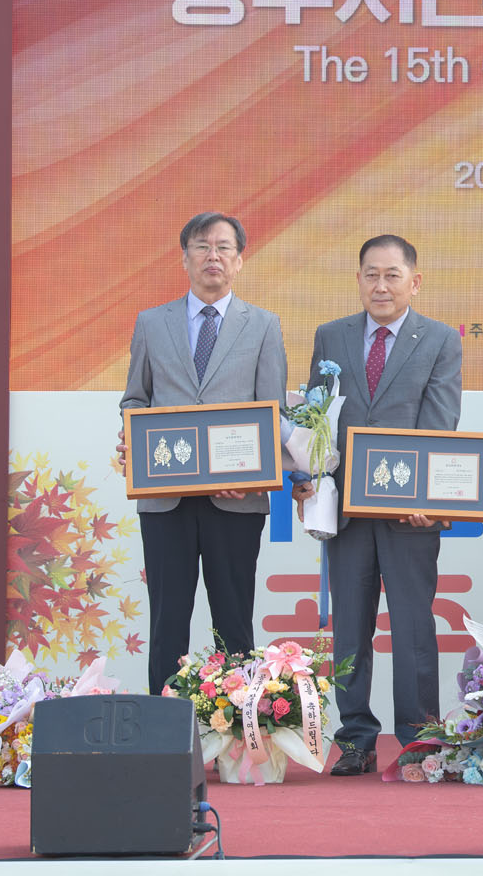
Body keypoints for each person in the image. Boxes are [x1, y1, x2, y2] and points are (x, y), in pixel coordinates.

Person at [296, 234, 462, 776]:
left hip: (408, 512)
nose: (381, 285)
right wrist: (305, 477)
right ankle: (356, 738)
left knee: (412, 626)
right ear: (359, 279)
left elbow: (439, 424)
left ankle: (417, 740)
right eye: (372, 274)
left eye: (393, 275)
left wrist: (423, 495)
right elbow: (315, 420)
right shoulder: (332, 335)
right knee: (350, 627)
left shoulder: (440, 339)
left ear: (415, 282)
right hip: (345, 508)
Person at [119, 212, 288, 694]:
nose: (212, 256)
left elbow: (273, 412)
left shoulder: (263, 325)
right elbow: (135, 400)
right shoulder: (152, 323)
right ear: (185, 258)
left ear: (239, 260)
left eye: (223, 247)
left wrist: (252, 474)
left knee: (233, 622)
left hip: (236, 499)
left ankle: (238, 724)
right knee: (166, 620)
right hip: (165, 498)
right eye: (202, 246)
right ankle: (164, 724)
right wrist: (133, 438)